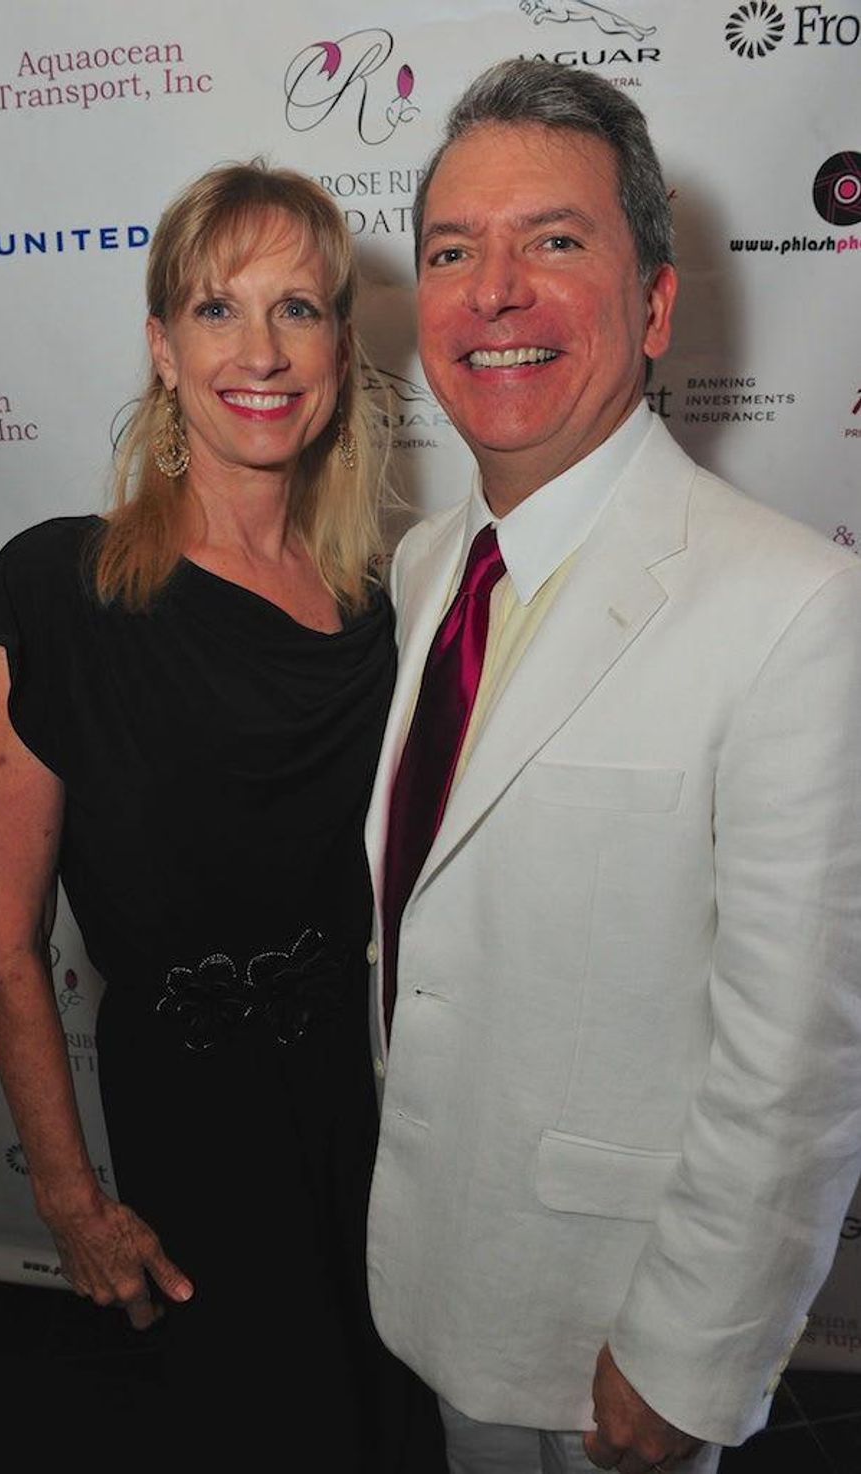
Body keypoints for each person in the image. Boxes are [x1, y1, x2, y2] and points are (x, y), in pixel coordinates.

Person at [364, 59, 861, 1474]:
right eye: (455, 251)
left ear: (653, 305)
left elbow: (802, 1055)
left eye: (556, 241)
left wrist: (693, 1356)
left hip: (617, 1348)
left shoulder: (792, 609)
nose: (495, 291)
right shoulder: (426, 567)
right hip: (445, 1273)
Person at [0, 162, 444, 1470]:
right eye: (218, 311)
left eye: (299, 309)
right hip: (199, 1150)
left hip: (382, 1127)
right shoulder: (57, 594)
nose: (262, 352)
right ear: (163, 350)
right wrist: (69, 1193)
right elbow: (5, 944)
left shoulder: (383, 609)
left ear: (342, 345)